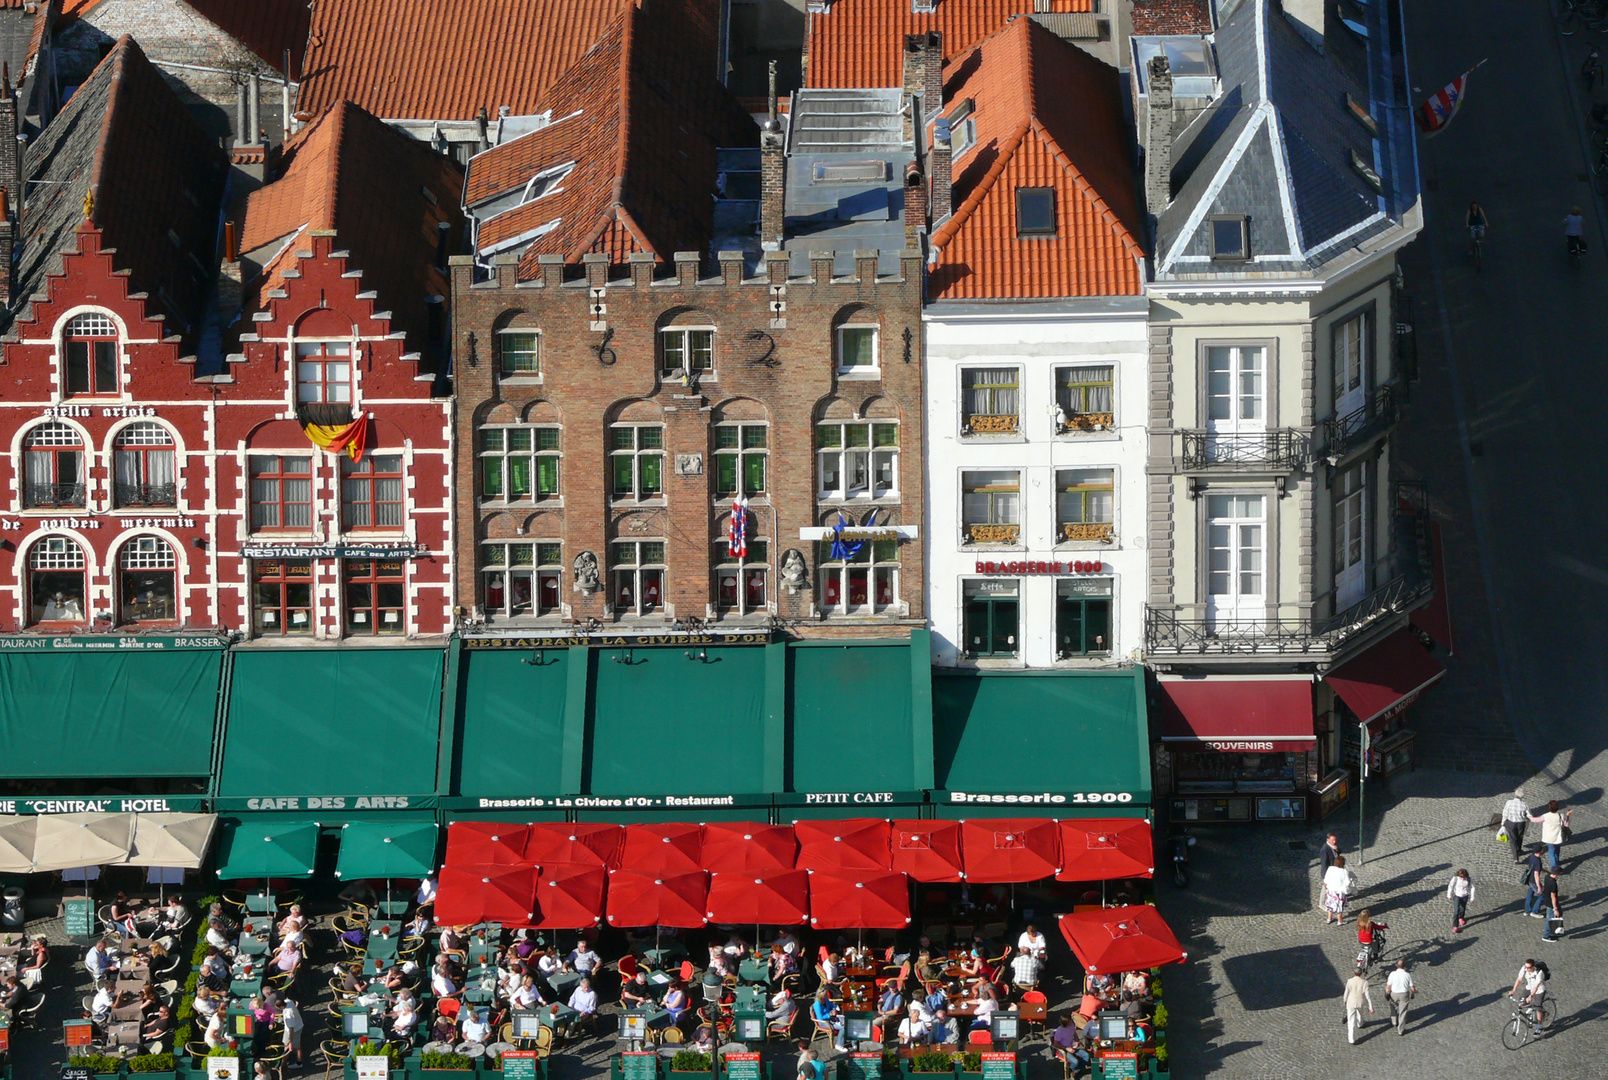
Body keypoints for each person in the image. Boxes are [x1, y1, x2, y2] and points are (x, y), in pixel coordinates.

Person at [1529, 800, 1573, 871]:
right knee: (1557, 850)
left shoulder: (1546, 816)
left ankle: (1554, 867)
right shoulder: (1560, 816)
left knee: (1552, 851)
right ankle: (1557, 861)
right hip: (1558, 837)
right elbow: (1566, 824)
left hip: (1549, 838)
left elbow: (1536, 820)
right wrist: (1567, 815)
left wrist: (1529, 816)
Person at [1510, 959, 1549, 1035]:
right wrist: (1513, 990)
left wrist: (1531, 996)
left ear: (1533, 966)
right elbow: (1519, 979)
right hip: (1529, 987)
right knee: (1521, 1002)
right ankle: (1531, 1009)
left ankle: (1539, 1026)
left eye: (1529, 967)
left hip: (1539, 990)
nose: (1527, 969)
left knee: (1538, 1008)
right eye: (1526, 967)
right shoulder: (1524, 969)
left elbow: (1536, 987)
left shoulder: (1539, 973)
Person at [1342, 967, 1373, 1045]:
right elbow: (1367, 996)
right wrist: (1370, 1007)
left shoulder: (1350, 981)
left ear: (1354, 973)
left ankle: (1351, 1038)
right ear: (1361, 973)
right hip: (1360, 1002)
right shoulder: (1365, 982)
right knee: (1360, 1013)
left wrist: (1345, 1000)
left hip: (1351, 1002)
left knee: (1351, 1020)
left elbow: (1346, 992)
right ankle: (1360, 1024)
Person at [1384, 960, 1415, 1035]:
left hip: (1394, 993)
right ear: (1404, 966)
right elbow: (1412, 987)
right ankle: (1400, 1030)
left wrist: (1386, 993)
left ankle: (1394, 1021)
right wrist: (1413, 994)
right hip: (1404, 994)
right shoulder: (1407, 975)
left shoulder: (1392, 974)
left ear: (1396, 965)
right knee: (1403, 1011)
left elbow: (1388, 986)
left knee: (1393, 1007)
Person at [1322, 855, 1354, 926]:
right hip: (1339, 891)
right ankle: (1340, 920)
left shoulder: (1330, 869)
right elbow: (1347, 882)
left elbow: (1326, 879)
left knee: (1330, 904)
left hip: (1330, 890)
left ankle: (1329, 918)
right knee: (1339, 905)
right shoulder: (1344, 871)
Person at [1501, 789, 1530, 863]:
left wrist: (1503, 822)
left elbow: (1505, 813)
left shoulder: (1508, 803)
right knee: (1520, 836)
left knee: (1513, 839)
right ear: (1522, 796)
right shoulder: (1524, 804)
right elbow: (1529, 814)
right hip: (1521, 823)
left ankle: (1516, 858)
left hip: (1511, 823)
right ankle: (1519, 850)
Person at [812, 988, 845, 1052]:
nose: (826, 996)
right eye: (825, 996)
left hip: (831, 1018)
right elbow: (820, 1017)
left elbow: (831, 1005)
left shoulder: (826, 999)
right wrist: (829, 1014)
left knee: (845, 1021)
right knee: (843, 1027)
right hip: (824, 1022)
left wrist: (834, 1009)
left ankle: (846, 1038)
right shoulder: (817, 1005)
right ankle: (839, 1044)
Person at [280, 996, 304, 1070]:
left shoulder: (289, 1015)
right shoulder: (288, 1001)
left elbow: (291, 1030)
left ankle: (286, 1063)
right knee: (288, 1045)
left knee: (292, 1047)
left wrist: (291, 1042)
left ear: (281, 1006)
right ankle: (286, 1060)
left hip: (294, 1030)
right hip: (298, 1025)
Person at [1540, 869, 1563, 942]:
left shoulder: (1547, 877)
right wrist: (1555, 909)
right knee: (1550, 918)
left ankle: (1554, 930)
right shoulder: (1553, 883)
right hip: (1551, 903)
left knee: (1558, 914)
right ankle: (1546, 935)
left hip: (1547, 900)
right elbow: (1553, 897)